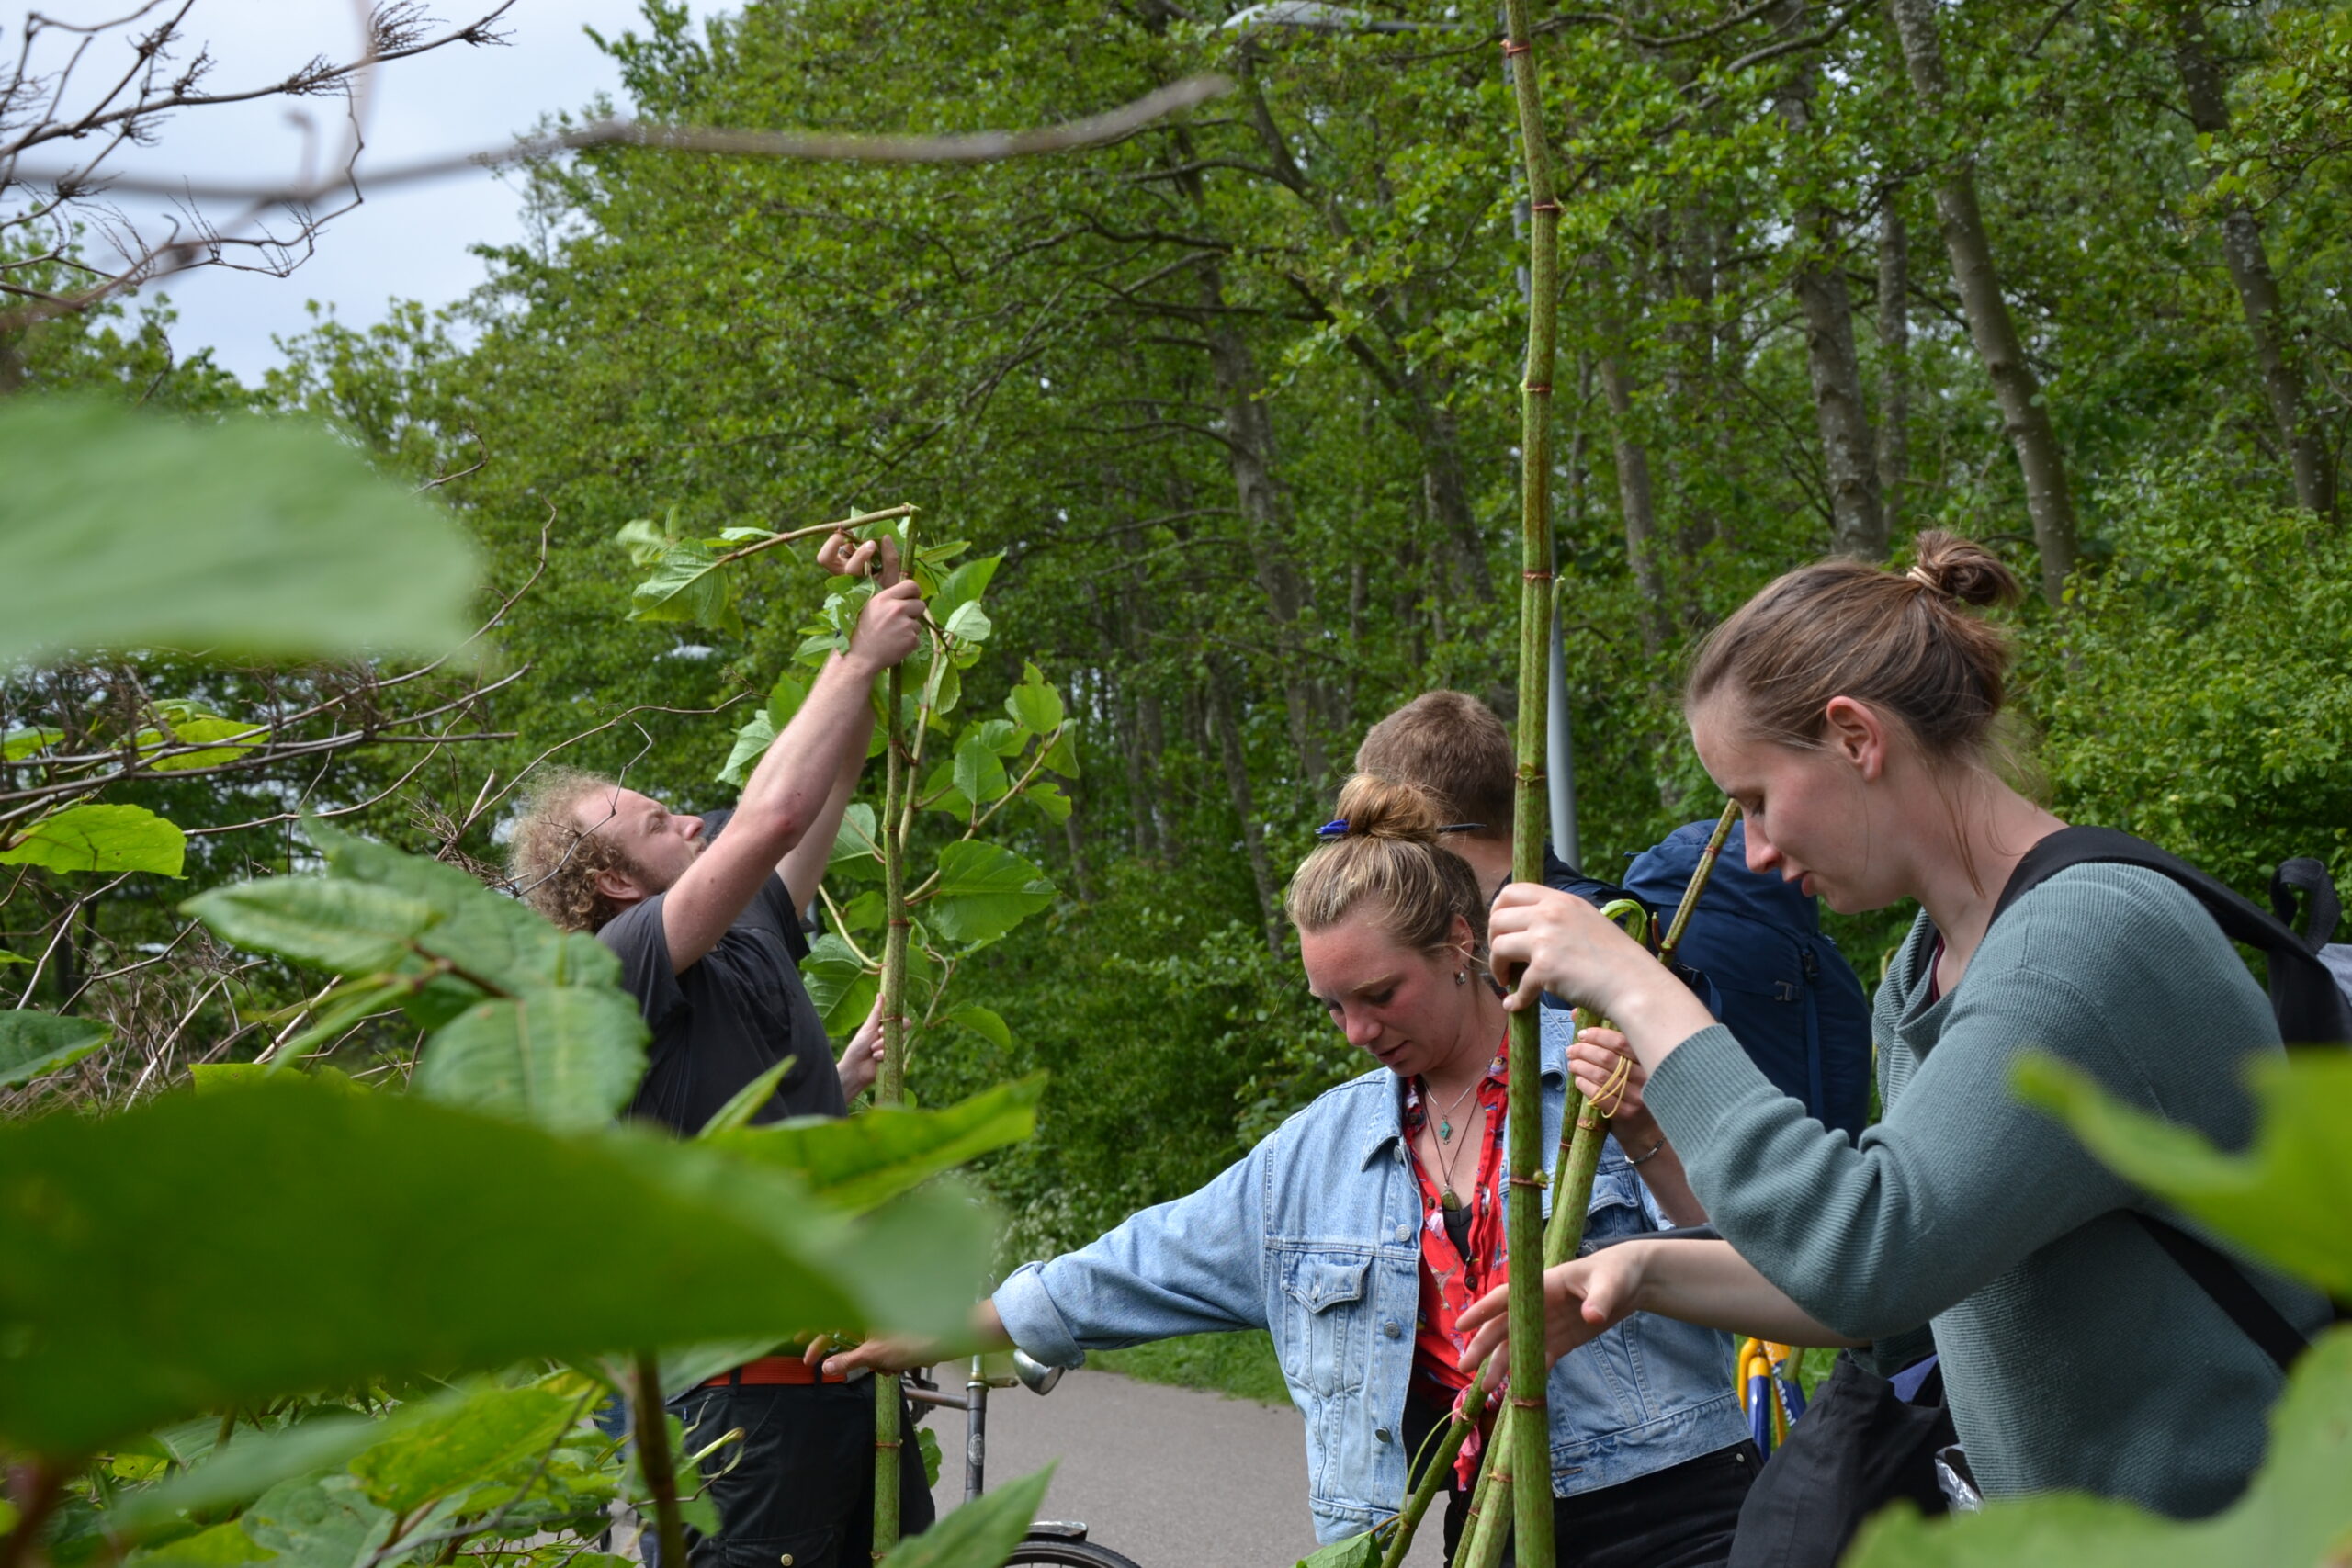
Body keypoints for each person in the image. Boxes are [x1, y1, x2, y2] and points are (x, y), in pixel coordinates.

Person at [1459, 530, 2334, 1519]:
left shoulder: (2084, 944)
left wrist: (1638, 989)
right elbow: (1908, 1278)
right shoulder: (1926, 967)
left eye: (1755, 801)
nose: (1752, 851)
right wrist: (1644, 1270)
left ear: (1854, 737)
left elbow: (1867, 1248)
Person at [831, 775, 1756, 1567]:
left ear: (1461, 946)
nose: (1357, 1032)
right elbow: (1145, 1261)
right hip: (1491, 1525)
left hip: (1675, 1513)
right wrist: (948, 1327)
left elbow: (1750, 1252)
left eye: (1379, 995)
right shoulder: (1319, 1154)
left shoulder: (1608, 1065)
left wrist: (1642, 1129)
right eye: (1332, 1007)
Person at [506, 531, 932, 1568]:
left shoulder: (740, 926)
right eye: (659, 824)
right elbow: (768, 808)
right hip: (738, 1419)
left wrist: (866, 612)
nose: (694, 821)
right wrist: (857, 657)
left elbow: (821, 792)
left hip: (840, 1384)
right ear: (610, 882)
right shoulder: (621, 960)